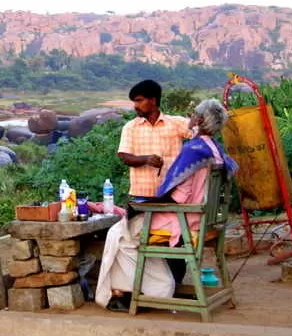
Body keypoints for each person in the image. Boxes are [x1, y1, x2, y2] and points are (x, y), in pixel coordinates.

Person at [96, 99, 238, 312]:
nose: (190, 118)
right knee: (129, 232)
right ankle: (155, 288)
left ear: (198, 120)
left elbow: (179, 197)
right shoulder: (215, 149)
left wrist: (144, 204)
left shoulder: (193, 150)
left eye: (193, 115)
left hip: (184, 220)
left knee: (119, 234)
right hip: (206, 221)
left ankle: (144, 293)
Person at [118, 80, 192, 202]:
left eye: (139, 100)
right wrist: (146, 159)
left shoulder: (176, 123)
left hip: (173, 193)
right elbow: (125, 157)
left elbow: (201, 134)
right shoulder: (130, 127)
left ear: (152, 100)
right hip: (142, 195)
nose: (135, 106)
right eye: (135, 101)